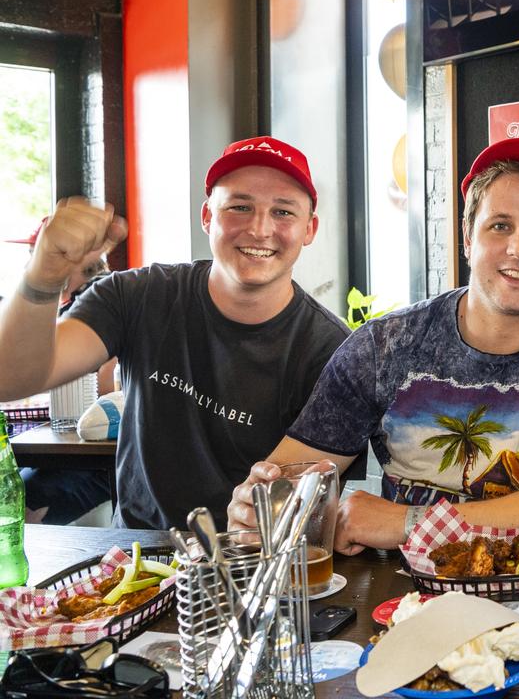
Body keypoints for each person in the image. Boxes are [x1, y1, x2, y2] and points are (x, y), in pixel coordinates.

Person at [225, 137, 519, 555]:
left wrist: (408, 522)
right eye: (500, 226)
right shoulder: (384, 347)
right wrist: (261, 506)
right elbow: (288, 482)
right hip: (399, 609)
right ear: (466, 236)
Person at [0, 136, 351, 530]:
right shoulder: (139, 296)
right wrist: (43, 275)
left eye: (283, 212)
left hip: (251, 564)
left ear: (309, 228)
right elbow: (10, 378)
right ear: (207, 217)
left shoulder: (331, 351)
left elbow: (302, 500)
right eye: (240, 206)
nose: (259, 229)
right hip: (135, 561)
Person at [5, 218, 118, 524]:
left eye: (42, 255)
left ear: (76, 256)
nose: (34, 264)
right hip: (70, 455)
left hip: (98, 464)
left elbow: (112, 388)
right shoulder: (77, 306)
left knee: (16, 501)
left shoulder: (106, 303)